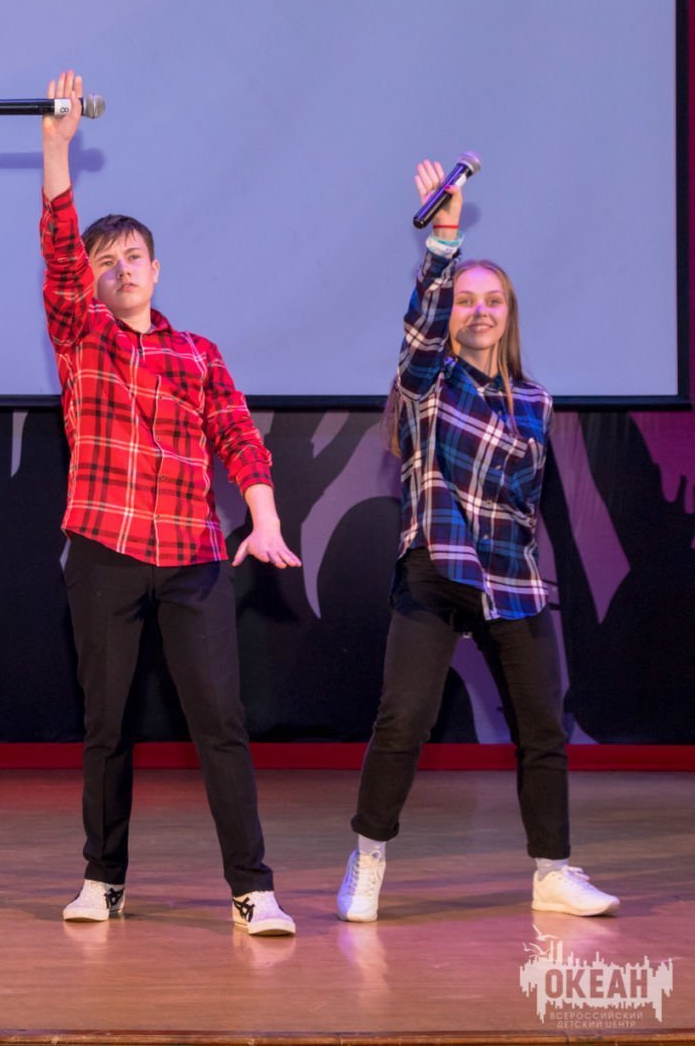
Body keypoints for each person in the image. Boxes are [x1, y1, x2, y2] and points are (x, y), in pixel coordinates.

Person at [39, 71, 299, 935]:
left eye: (133, 258)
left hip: (193, 557)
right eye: (105, 263)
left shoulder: (198, 352)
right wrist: (56, 148)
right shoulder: (81, 337)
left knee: (219, 720)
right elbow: (59, 254)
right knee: (107, 723)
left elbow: (239, 437)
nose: (121, 271)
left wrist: (263, 517)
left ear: (156, 268)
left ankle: (252, 887)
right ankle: (103, 878)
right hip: (105, 550)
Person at [335, 159, 620, 922]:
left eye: (492, 301)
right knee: (405, 718)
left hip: (511, 579)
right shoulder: (427, 381)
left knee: (542, 726)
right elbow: (421, 331)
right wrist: (445, 239)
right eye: (467, 300)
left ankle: (551, 871)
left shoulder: (535, 402)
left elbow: (528, 507)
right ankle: (368, 857)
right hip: (436, 566)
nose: (479, 310)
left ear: (509, 314)